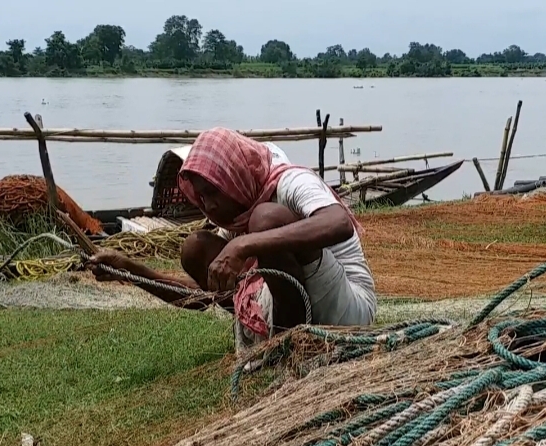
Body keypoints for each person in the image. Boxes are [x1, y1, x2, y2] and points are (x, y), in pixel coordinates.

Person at [87, 127, 376, 345]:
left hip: (349, 311)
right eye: (201, 196)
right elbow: (203, 296)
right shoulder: (236, 213)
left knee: (266, 218)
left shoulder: (291, 182)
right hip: (306, 306)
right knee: (195, 248)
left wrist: (244, 243)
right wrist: (127, 269)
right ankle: (281, 340)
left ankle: (285, 347)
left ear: (232, 176)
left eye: (213, 192)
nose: (209, 205)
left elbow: (338, 222)